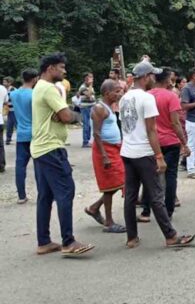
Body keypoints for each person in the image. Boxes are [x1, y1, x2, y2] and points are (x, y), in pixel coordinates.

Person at [120, 60, 195, 249]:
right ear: (146, 77)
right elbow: (151, 130)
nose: (154, 78)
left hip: (127, 151)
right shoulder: (146, 99)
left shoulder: (124, 97)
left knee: (130, 196)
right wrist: (159, 156)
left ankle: (131, 237)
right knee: (155, 195)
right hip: (144, 152)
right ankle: (170, 236)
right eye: (153, 75)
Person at [31, 52, 94, 256]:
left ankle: (44, 241)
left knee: (46, 196)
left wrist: (63, 115)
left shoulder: (38, 86)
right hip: (51, 148)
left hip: (40, 148)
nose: (64, 71)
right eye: (61, 67)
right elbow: (66, 116)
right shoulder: (49, 89)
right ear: (50, 69)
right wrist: (74, 115)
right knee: (66, 191)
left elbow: (60, 115)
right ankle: (68, 241)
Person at [139, 68, 189, 222]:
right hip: (170, 141)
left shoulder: (146, 96)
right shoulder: (171, 96)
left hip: (151, 142)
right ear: (168, 80)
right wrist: (184, 142)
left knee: (150, 177)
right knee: (170, 176)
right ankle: (168, 211)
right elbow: (175, 122)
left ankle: (146, 212)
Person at [84, 80, 126, 233]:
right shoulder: (99, 108)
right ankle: (109, 222)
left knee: (119, 181)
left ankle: (95, 208)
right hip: (105, 150)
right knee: (110, 186)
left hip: (114, 149)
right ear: (107, 93)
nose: (119, 93)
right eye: (116, 91)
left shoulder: (109, 107)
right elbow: (96, 133)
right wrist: (104, 155)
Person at [11, 68, 38, 204]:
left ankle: (21, 196)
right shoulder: (34, 94)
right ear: (34, 79)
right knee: (40, 165)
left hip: (21, 133)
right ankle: (43, 194)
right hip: (35, 133)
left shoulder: (14, 94)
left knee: (20, 166)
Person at [78, 73, 97, 148]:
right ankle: (85, 142)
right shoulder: (83, 87)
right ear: (86, 79)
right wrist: (91, 84)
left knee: (90, 125)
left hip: (91, 106)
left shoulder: (89, 87)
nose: (92, 79)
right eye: (90, 77)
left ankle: (88, 140)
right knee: (86, 124)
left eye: (92, 77)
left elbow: (92, 96)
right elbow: (89, 95)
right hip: (85, 107)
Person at [4, 76, 16, 144]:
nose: (4, 83)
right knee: (9, 125)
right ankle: (8, 139)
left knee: (15, 124)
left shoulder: (13, 89)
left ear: (10, 82)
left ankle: (20, 139)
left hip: (14, 110)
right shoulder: (5, 90)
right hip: (8, 110)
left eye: (5, 82)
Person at [0, 77, 7, 171]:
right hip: (0, 120)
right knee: (0, 145)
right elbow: (6, 101)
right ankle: (1, 165)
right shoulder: (2, 88)